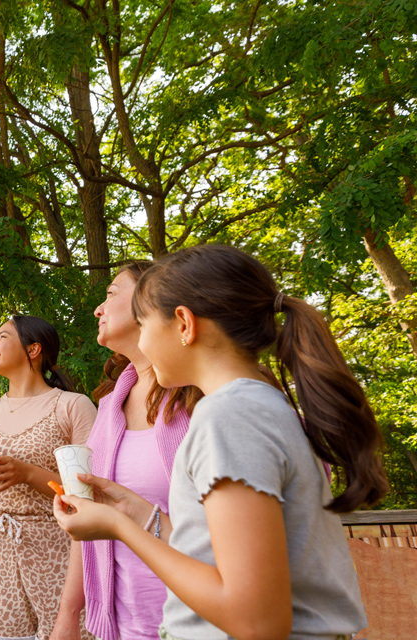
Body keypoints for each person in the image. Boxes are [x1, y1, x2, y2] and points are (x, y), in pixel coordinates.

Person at [53, 244, 387, 640]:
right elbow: (221, 555)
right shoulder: (258, 406)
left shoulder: (228, 418)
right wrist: (136, 513)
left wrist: (118, 528)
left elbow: (257, 623)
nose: (140, 346)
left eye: (144, 326)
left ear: (184, 324)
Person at [50, 262, 202, 640]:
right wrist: (69, 616)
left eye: (111, 293)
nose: (98, 309)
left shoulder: (202, 400)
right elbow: (89, 515)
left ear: (153, 301)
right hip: (121, 629)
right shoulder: (108, 408)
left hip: (198, 623)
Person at [0, 315, 97, 640]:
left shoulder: (73, 406)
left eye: (2, 336)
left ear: (33, 349)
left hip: (59, 555)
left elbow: (88, 492)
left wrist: (27, 473)